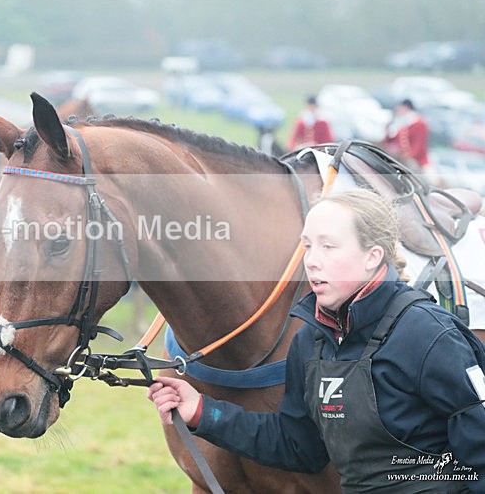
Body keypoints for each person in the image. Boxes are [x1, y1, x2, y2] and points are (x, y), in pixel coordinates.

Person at [148, 189, 485, 492]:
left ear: (373, 256)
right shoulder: (311, 342)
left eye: (328, 246)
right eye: (308, 245)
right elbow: (298, 447)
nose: (312, 259)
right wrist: (202, 412)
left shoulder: (429, 333)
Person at [382, 98, 430, 172]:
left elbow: (418, 143)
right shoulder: (398, 122)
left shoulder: (419, 123)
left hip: (417, 159)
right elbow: (390, 141)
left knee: (430, 179)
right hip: (398, 157)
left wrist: (408, 156)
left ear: (407, 108)